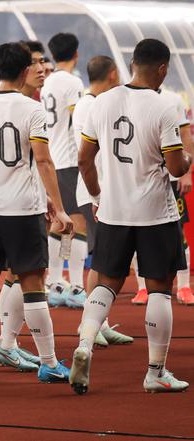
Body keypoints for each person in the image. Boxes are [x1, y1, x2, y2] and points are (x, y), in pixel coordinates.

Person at [71, 39, 191, 395]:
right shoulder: (165, 105)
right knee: (160, 289)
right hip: (155, 212)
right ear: (163, 69)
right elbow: (175, 166)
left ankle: (85, 343)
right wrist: (188, 159)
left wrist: (97, 196)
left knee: (106, 283)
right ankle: (156, 371)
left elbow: (84, 160)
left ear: (132, 64)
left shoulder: (101, 102)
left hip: (113, 210)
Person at [0, 41, 73, 385]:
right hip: (24, 211)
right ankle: (49, 362)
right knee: (33, 286)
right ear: (25, 71)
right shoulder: (31, 109)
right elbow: (44, 160)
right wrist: (60, 208)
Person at [0, 40, 47, 372]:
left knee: (19, 274)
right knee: (27, 275)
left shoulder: (32, 104)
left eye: (44, 62)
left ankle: (7, 344)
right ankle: (8, 344)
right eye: (35, 62)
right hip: (19, 206)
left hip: (27, 200)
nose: (42, 68)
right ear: (23, 70)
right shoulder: (20, 107)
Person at [72, 55, 133, 347]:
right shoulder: (91, 105)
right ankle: (90, 324)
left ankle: (99, 322)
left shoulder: (93, 103)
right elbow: (90, 155)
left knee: (104, 260)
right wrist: (99, 193)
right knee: (100, 260)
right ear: (112, 74)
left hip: (102, 189)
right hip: (94, 190)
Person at [132, 87, 194, 306]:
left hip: (171, 177)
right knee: (138, 232)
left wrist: (186, 173)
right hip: (140, 179)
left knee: (178, 231)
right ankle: (142, 287)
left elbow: (185, 135)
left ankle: (184, 286)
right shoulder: (130, 98)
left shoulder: (172, 98)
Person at [40, 33, 86, 307]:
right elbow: (79, 121)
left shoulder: (47, 82)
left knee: (59, 221)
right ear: (76, 54)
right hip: (69, 160)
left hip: (51, 158)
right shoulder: (72, 82)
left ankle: (55, 282)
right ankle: (77, 287)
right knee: (78, 222)